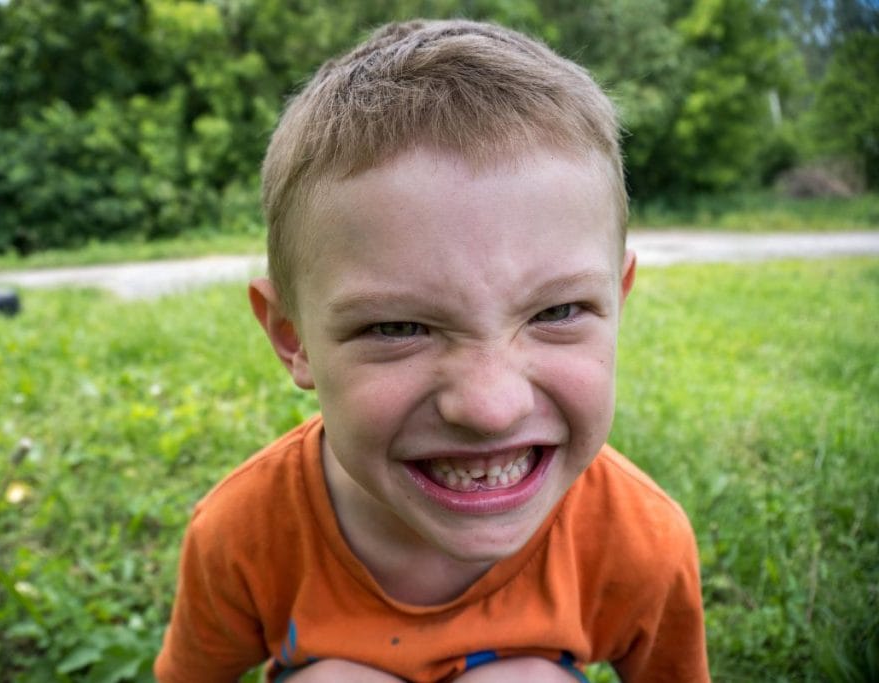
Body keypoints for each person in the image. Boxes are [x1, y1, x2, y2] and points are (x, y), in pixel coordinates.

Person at [155, 18, 709, 683]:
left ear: (617, 302)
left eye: (556, 312)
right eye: (398, 328)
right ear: (292, 336)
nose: (490, 406)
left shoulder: (640, 540)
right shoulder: (242, 533)